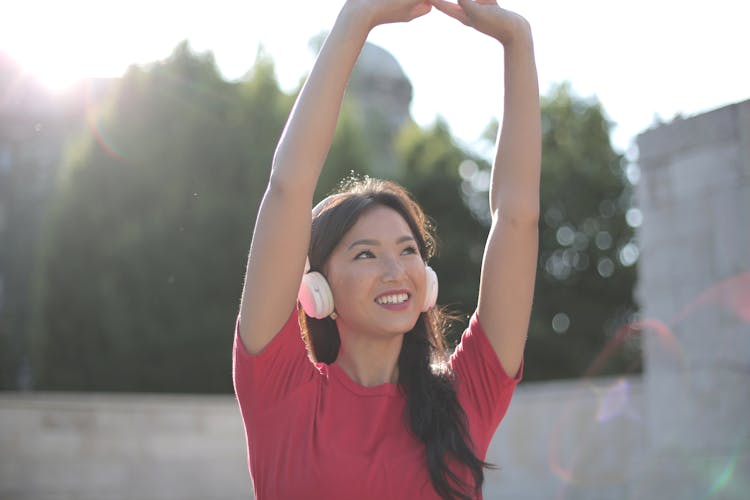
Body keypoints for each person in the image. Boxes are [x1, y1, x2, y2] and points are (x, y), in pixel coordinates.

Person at [233, 1, 540, 498]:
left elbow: (518, 219)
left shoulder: (464, 398)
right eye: (365, 254)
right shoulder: (280, 391)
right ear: (316, 289)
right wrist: (357, 17)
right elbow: (289, 185)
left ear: (427, 281)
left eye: (408, 251)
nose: (395, 270)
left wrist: (516, 40)